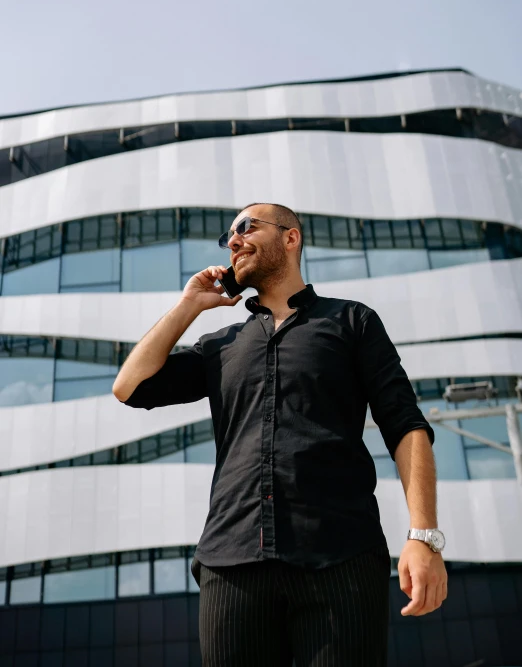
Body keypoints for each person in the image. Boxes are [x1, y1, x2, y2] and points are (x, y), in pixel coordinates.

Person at [113, 202, 448, 667]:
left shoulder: (353, 322)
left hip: (341, 556)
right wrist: (189, 304)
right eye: (228, 237)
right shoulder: (219, 346)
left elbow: (405, 424)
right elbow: (130, 387)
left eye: (246, 228)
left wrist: (423, 536)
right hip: (231, 564)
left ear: (291, 238)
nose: (233, 241)